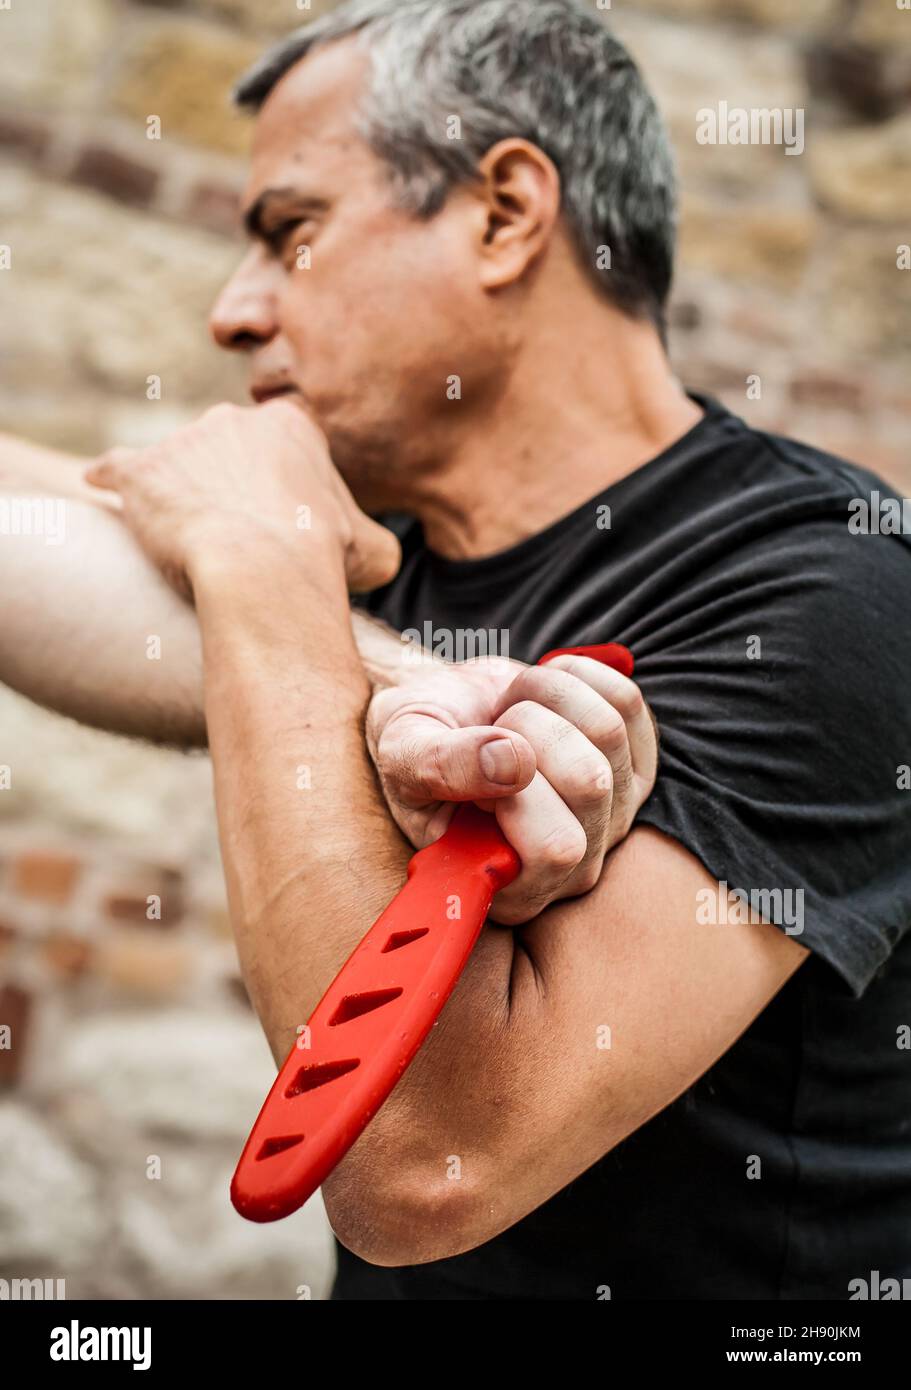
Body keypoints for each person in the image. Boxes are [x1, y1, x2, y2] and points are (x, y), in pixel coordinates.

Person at [1, 0, 909, 1300]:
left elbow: (422, 1162)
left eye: (289, 234)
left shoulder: (829, 591)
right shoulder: (368, 557)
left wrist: (265, 570)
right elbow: (38, 527)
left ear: (502, 214)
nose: (232, 312)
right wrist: (388, 669)